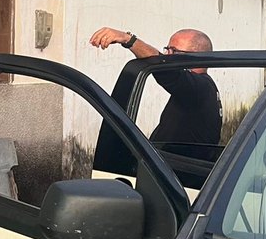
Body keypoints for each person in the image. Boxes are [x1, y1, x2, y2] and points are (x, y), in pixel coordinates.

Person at [89, 27, 222, 148]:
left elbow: (165, 70)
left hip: (178, 172)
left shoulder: (200, 88)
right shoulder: (200, 88)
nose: (167, 56)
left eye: (173, 51)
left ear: (196, 57)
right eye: (167, 50)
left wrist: (128, 40)